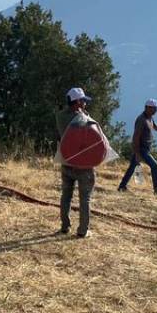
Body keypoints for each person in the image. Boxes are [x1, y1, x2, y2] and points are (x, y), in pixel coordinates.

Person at [55, 87, 96, 238]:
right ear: (78, 101)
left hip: (66, 161)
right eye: (84, 101)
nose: (85, 103)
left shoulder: (59, 116)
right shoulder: (82, 118)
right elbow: (93, 135)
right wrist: (85, 115)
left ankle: (65, 226)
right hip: (82, 164)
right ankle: (83, 230)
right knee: (85, 198)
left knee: (66, 195)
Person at [118, 98, 157, 195]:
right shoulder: (141, 120)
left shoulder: (149, 118)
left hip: (145, 148)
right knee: (155, 166)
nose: (155, 111)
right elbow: (136, 137)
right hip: (141, 149)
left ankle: (122, 187)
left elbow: (156, 127)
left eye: (156, 109)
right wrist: (137, 153)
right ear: (147, 108)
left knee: (132, 167)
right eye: (154, 108)